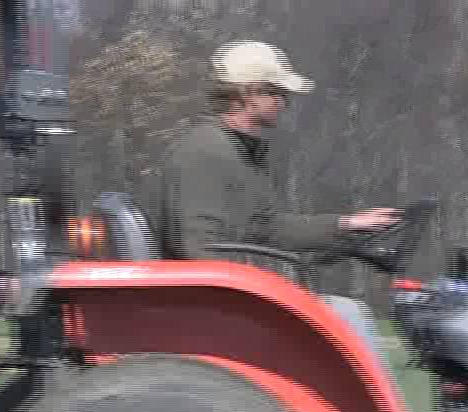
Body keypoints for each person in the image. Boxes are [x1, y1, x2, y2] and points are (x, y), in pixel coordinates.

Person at [158, 41, 401, 264]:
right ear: (248, 93)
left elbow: (265, 227)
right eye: (276, 92)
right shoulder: (207, 152)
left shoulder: (235, 150)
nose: (283, 103)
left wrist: (347, 224)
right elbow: (199, 248)